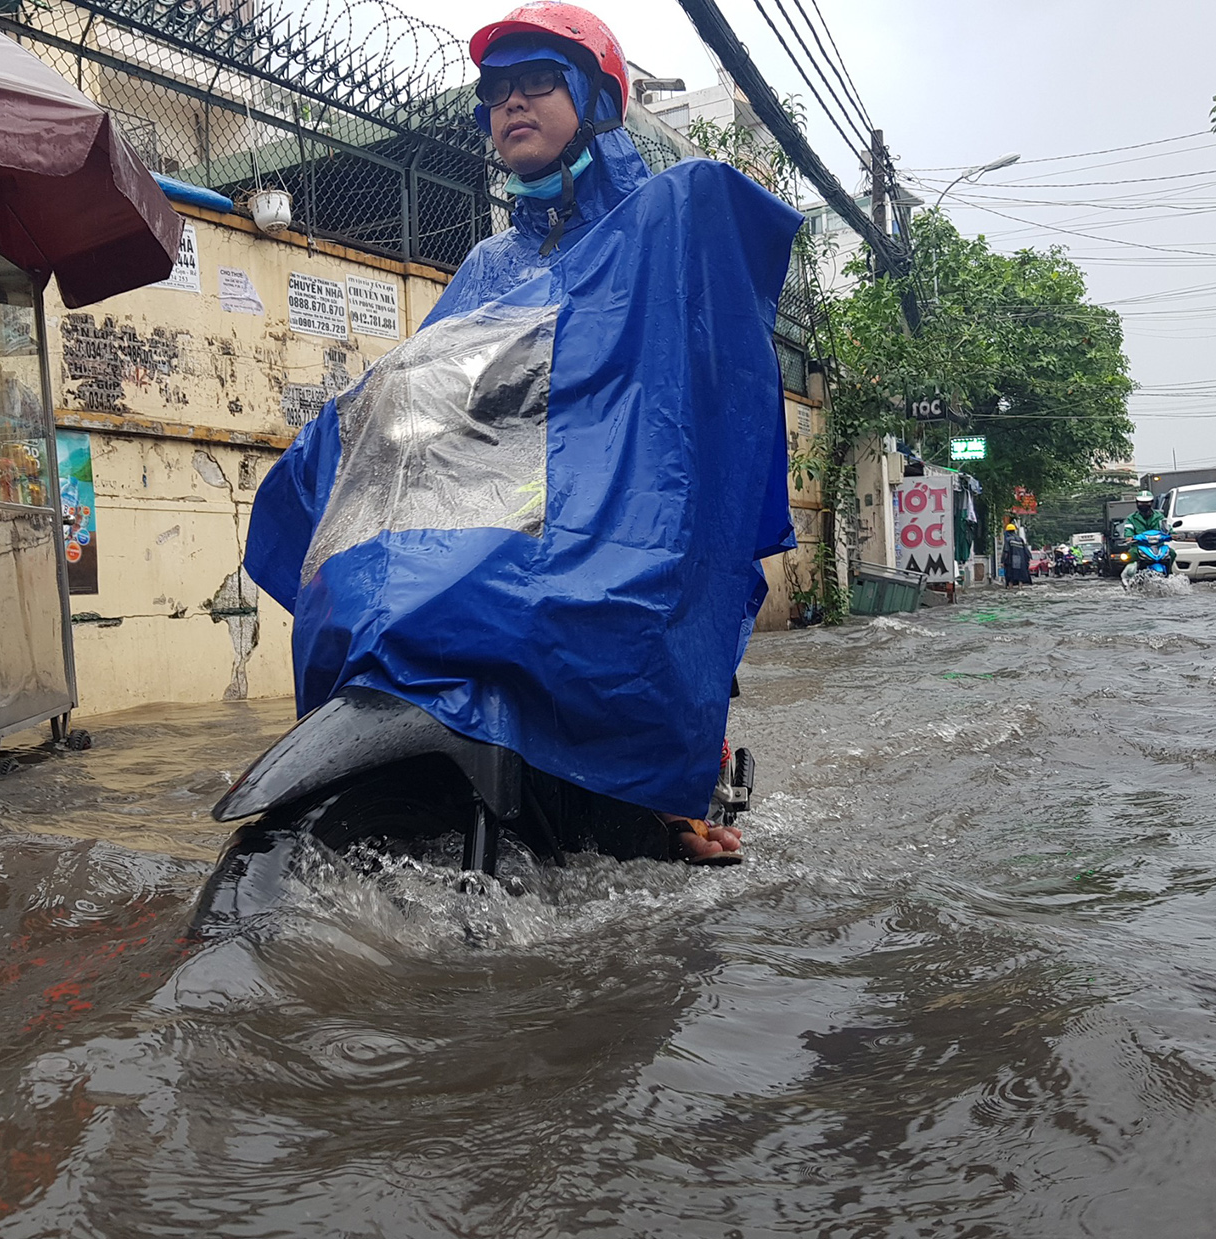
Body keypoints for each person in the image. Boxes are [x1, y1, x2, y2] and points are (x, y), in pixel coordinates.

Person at [243, 3, 803, 863]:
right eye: (497, 89)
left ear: (595, 97)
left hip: (619, 512)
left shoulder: (663, 219)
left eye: (538, 79)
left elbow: (717, 333)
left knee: (642, 606)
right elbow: (425, 382)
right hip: (493, 527)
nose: (512, 102)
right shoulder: (485, 267)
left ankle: (666, 805)